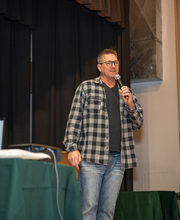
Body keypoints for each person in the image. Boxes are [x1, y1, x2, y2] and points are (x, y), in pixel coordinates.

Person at [63, 49, 143, 220]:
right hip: (91, 158)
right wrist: (72, 148)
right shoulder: (86, 87)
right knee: (88, 209)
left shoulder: (126, 92)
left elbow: (138, 124)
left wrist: (130, 104)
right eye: (109, 63)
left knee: (107, 211)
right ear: (99, 67)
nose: (113, 66)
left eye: (116, 62)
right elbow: (74, 119)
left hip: (118, 160)